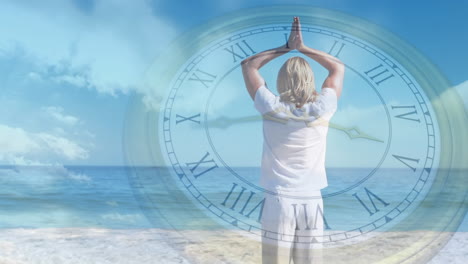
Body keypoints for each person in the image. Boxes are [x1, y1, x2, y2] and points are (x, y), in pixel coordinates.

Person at [241, 17, 344, 263]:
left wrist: (287, 46)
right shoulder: (323, 107)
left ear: (281, 80)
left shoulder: (271, 106)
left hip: (278, 200)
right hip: (311, 200)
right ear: (310, 80)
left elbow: (248, 66)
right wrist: (303, 48)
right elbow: (337, 67)